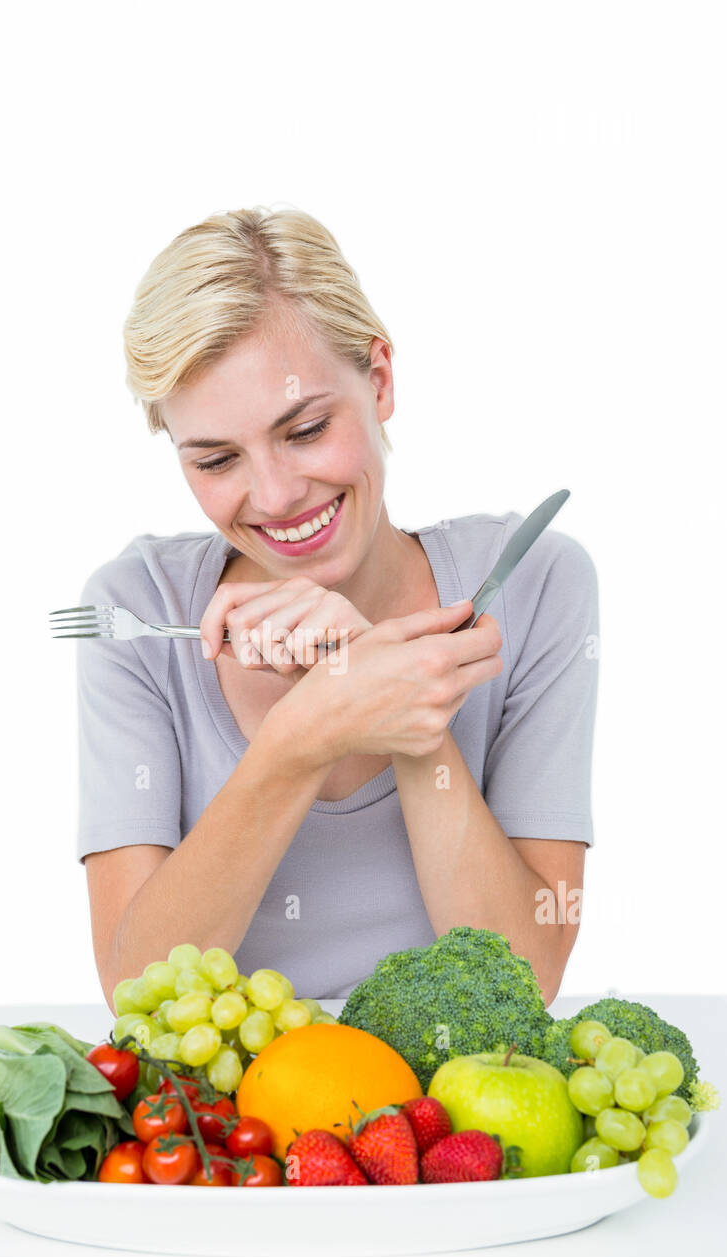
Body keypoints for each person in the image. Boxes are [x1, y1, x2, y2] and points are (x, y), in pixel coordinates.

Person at [76, 206, 598, 1012]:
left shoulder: (528, 582)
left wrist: (395, 700)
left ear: (380, 380)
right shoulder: (137, 613)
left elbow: (524, 981)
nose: (278, 496)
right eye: (217, 458)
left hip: (452, 1120)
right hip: (235, 1129)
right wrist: (306, 731)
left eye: (307, 428)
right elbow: (139, 992)